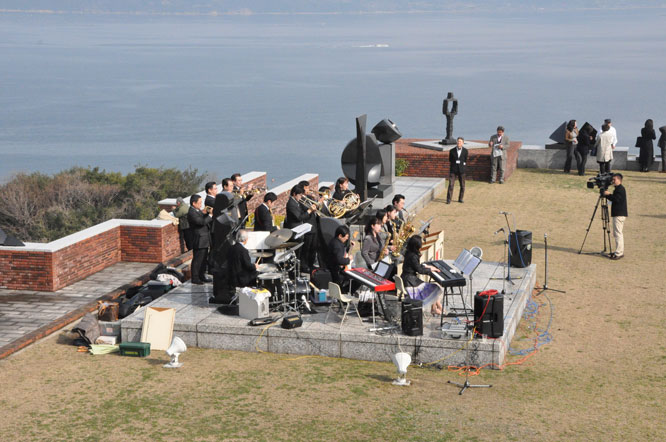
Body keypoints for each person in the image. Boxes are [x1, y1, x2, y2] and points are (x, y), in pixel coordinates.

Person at [400, 235, 443, 316]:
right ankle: (435, 309)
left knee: (433, 287)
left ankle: (436, 308)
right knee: (435, 288)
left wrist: (427, 267)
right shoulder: (413, 256)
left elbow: (415, 266)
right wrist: (430, 270)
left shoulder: (408, 253)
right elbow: (420, 270)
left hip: (407, 278)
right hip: (410, 282)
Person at [187, 194, 213, 284]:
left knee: (203, 259)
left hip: (204, 239)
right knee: (198, 260)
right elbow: (201, 222)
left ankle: (201, 275)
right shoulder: (191, 212)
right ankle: (195, 278)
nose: (201, 204)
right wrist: (210, 215)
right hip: (199, 239)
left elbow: (203, 218)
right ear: (194, 203)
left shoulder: (197, 210)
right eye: (199, 203)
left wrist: (206, 213)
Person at [602, 173, 627, 260]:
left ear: (619, 180)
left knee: (618, 234)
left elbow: (616, 199)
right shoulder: (618, 189)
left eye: (614, 179)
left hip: (619, 214)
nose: (613, 181)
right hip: (619, 214)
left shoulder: (620, 189)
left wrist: (608, 194)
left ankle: (619, 253)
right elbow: (614, 199)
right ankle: (619, 251)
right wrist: (608, 195)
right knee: (617, 233)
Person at [447, 136, 468, 203]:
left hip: (461, 170)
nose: (459, 143)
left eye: (460, 142)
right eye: (458, 141)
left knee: (462, 185)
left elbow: (465, 159)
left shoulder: (465, 151)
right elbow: (450, 159)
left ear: (463, 143)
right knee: (451, 185)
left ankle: (460, 198)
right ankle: (449, 199)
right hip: (453, 170)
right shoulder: (452, 151)